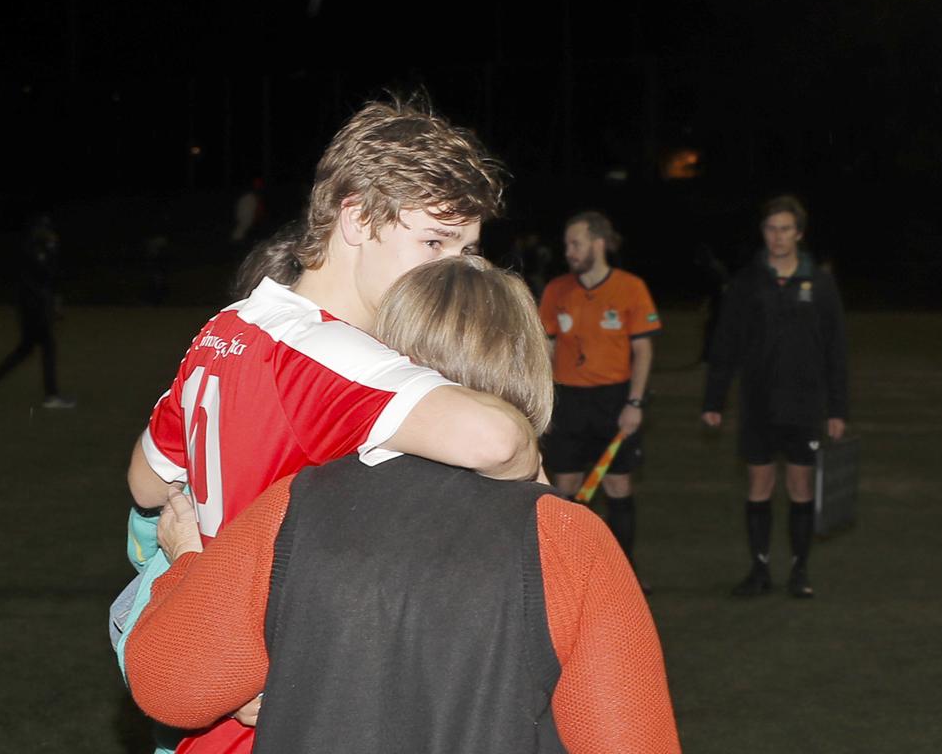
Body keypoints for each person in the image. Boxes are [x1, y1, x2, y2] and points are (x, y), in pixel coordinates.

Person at [126, 256, 682, 754]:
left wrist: (187, 566)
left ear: (386, 353)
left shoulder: (291, 508)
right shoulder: (569, 544)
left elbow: (170, 685)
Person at [122, 96, 539, 752]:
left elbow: (147, 484)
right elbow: (500, 440)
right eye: (434, 241)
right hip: (299, 712)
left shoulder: (226, 328)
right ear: (355, 218)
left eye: (467, 248)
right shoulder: (329, 354)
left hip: (215, 698)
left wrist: (195, 561)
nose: (457, 270)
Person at [702, 194, 848, 598]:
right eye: (771, 228)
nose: (778, 236)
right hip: (758, 403)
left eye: (786, 229)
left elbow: (836, 349)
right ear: (763, 233)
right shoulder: (747, 282)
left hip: (804, 405)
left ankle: (800, 571)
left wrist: (838, 408)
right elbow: (726, 344)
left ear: (799, 233)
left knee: (801, 486)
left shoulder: (819, 282)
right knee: (759, 483)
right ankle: (759, 569)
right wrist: (713, 401)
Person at [538, 210, 661, 588]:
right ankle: (571, 577)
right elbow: (544, 345)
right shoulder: (556, 290)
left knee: (618, 487)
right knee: (567, 488)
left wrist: (635, 403)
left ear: (597, 243)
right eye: (566, 245)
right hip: (569, 402)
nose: (568, 251)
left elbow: (643, 351)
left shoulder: (631, 288)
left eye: (575, 243)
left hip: (614, 400)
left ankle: (625, 574)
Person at [0, 213, 75, 409]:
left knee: (26, 349)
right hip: (33, 306)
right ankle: (51, 395)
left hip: (31, 305)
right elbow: (45, 275)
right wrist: (53, 250)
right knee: (47, 347)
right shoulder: (36, 249)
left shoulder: (33, 246)